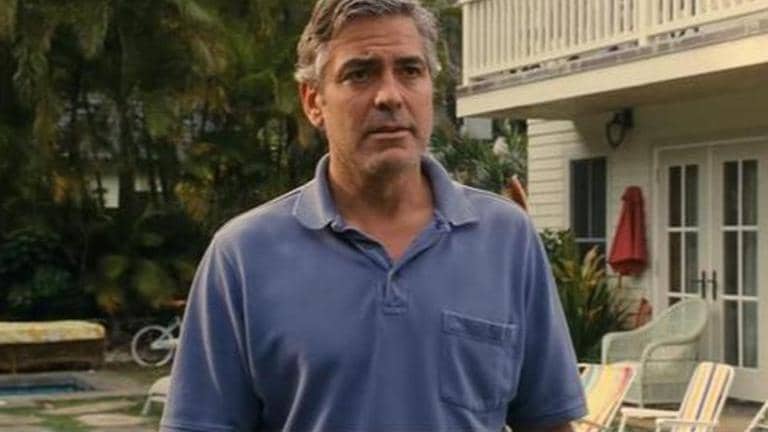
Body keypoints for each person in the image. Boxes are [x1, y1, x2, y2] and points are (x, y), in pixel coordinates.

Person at [160, 1, 586, 431]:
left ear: (430, 88)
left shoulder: (506, 239)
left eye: (410, 70)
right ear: (313, 101)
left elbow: (548, 422)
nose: (390, 96)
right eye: (360, 74)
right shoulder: (244, 256)